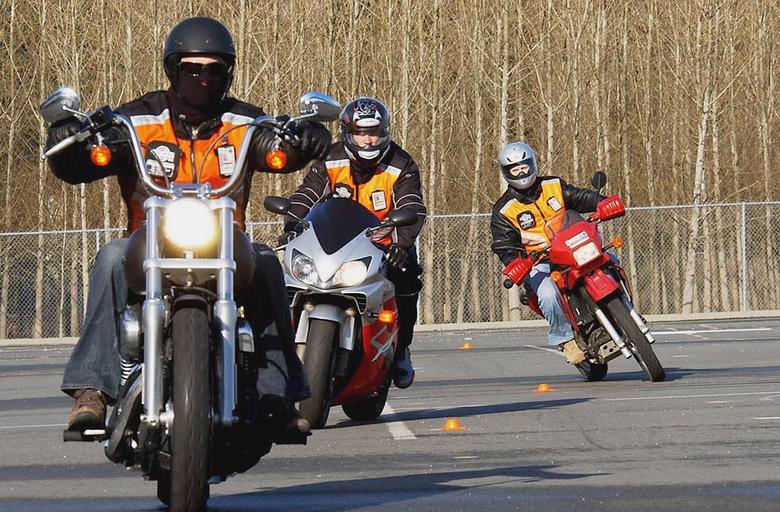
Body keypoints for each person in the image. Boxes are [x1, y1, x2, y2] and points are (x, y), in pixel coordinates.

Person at [44, 17, 331, 439]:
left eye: (214, 69)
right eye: (192, 68)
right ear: (172, 70)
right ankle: (92, 391)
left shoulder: (244, 122)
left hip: (227, 244)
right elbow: (87, 159)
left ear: (228, 73)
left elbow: (276, 147)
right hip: (148, 241)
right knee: (109, 257)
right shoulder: (137, 120)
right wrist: (70, 143)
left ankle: (279, 395)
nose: (203, 78)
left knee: (268, 263)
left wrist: (303, 139)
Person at [282, 97, 426, 388]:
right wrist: (291, 226)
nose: (368, 140)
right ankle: (277, 346)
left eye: (374, 132)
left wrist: (401, 244)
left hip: (382, 245)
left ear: (384, 132)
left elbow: (412, 204)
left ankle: (401, 348)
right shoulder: (331, 158)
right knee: (282, 272)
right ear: (348, 133)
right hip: (331, 242)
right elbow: (307, 193)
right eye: (361, 133)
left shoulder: (401, 164)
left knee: (409, 274)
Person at [489, 141, 623, 363]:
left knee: (610, 259)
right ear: (507, 172)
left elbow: (579, 197)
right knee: (548, 294)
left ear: (532, 164)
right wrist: (514, 262)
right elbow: (504, 243)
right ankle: (566, 340)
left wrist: (603, 203)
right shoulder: (504, 210)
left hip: (571, 247)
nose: (521, 172)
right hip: (539, 261)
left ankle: (626, 309)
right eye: (515, 169)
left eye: (524, 166)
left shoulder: (552, 185)